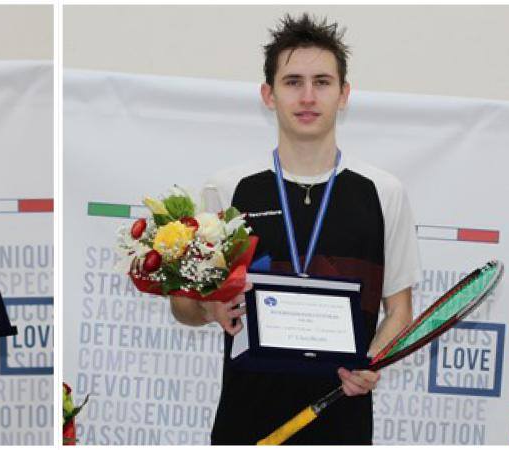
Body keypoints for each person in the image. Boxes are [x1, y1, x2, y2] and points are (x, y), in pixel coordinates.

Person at [169, 14, 420, 444]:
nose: (307, 97)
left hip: (343, 421)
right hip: (245, 422)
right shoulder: (228, 188)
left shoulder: (384, 192)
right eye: (292, 82)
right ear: (268, 95)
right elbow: (183, 304)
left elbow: (399, 311)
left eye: (322, 82)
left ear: (344, 94)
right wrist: (211, 310)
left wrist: (372, 362)